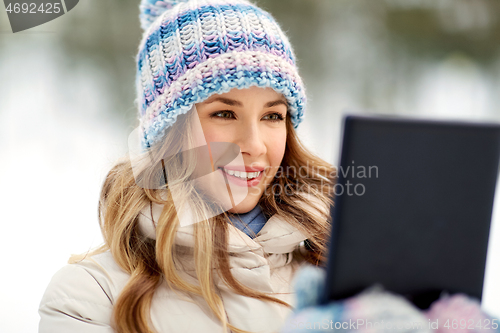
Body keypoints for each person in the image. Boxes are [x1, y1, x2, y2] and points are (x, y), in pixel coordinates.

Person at [38, 0, 498, 332]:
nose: (254, 145)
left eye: (273, 116)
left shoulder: (337, 269)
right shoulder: (88, 296)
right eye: (223, 114)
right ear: (168, 135)